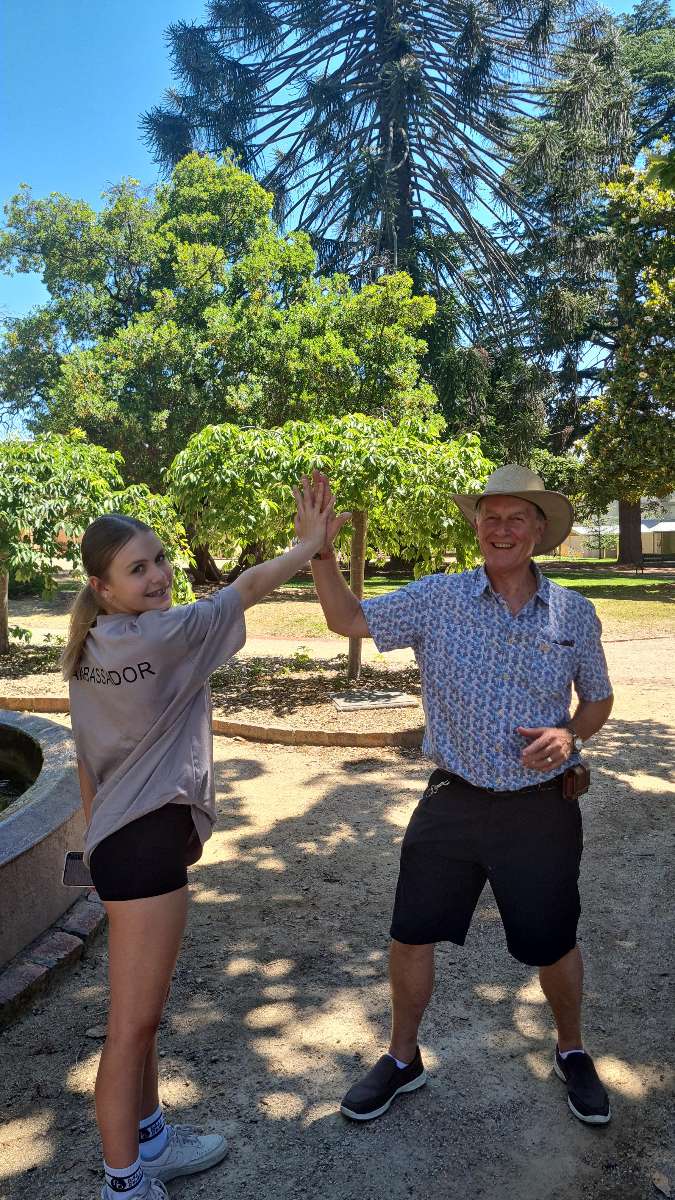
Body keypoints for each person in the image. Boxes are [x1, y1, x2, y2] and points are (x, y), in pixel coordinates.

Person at [308, 464, 614, 1127]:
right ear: (476, 526)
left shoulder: (572, 612)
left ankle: (571, 1050)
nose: (500, 529)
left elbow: (597, 699)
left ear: (538, 531)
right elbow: (345, 619)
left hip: (539, 807)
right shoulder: (436, 598)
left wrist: (567, 735)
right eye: (489, 517)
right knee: (410, 934)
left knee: (552, 940)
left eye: (515, 518)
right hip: (452, 798)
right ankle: (400, 1058)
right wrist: (321, 552)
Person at [61, 479, 329, 1200]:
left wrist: (92, 856)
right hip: (143, 848)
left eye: (158, 560)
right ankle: (124, 1185)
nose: (157, 576)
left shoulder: (89, 649)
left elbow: (87, 764)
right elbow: (242, 590)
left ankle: (150, 1139)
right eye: (137, 569)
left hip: (121, 843)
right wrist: (306, 548)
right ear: (103, 586)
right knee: (130, 1026)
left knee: (140, 1016)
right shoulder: (165, 633)